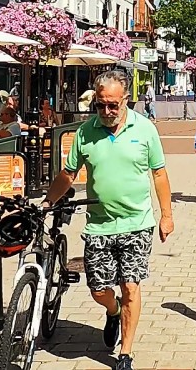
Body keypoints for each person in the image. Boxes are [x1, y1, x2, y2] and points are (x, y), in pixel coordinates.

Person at [44, 71, 173, 370]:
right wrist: (48, 201)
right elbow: (69, 174)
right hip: (99, 225)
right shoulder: (85, 132)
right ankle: (113, 311)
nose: (106, 111)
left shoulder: (145, 129)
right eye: (100, 105)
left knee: (130, 287)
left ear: (126, 100)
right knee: (98, 289)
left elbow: (159, 173)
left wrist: (166, 216)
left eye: (112, 105)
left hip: (137, 223)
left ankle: (125, 353)